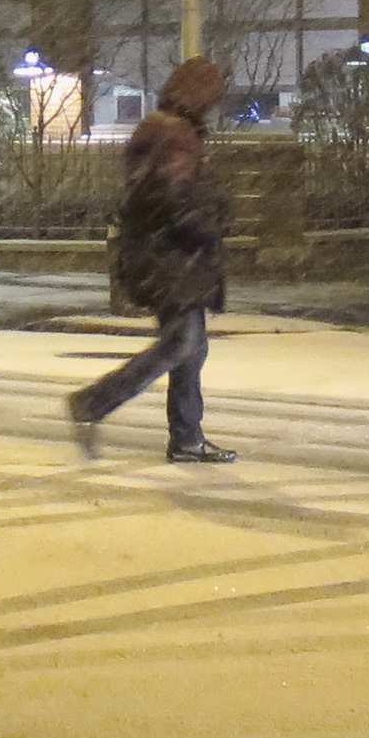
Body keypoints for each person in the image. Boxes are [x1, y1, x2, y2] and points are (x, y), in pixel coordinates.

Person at [71, 53, 236, 464]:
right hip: (171, 257)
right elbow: (170, 198)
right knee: (180, 345)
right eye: (212, 94)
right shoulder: (173, 133)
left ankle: (186, 438)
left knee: (190, 348)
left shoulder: (169, 128)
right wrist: (207, 222)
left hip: (170, 256)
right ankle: (94, 403)